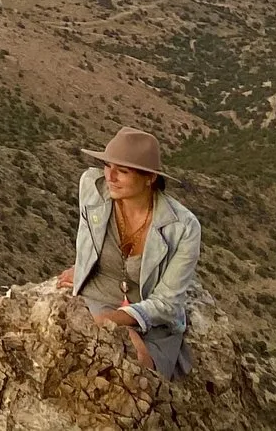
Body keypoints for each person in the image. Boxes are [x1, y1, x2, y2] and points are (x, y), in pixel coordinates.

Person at [53, 127, 201, 379]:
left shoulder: (183, 228)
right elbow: (88, 235)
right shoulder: (92, 187)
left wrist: (116, 319)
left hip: (150, 314)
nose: (110, 176)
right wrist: (83, 266)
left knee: (137, 369)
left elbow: (167, 303)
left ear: (149, 178)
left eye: (122, 171)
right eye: (108, 166)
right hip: (98, 297)